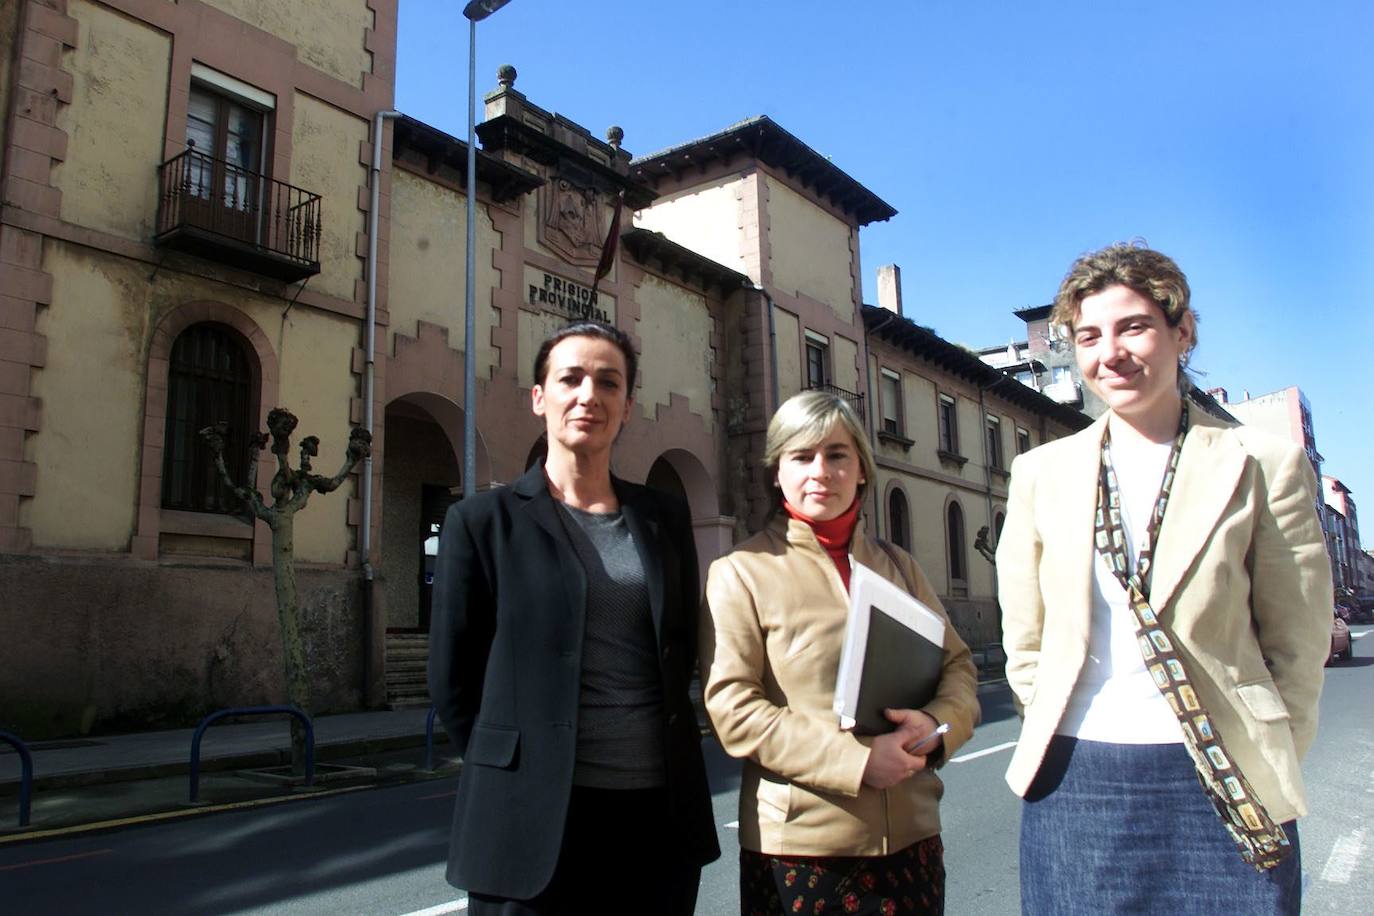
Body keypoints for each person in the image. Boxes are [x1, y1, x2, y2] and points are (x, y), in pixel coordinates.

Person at [997, 242, 1331, 914]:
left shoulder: (1262, 464)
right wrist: (1053, 714)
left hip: (1226, 771)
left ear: (1182, 332)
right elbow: (1025, 632)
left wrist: (1268, 742)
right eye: (1088, 336)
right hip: (1077, 775)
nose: (1109, 353)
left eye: (1133, 327)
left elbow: (1298, 639)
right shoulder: (1042, 473)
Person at [428, 320, 719, 915]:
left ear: (627, 406)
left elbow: (679, 646)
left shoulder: (663, 516)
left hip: (656, 818)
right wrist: (517, 761)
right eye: (571, 379)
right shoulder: (485, 522)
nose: (589, 395)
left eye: (608, 383)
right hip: (531, 819)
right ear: (540, 398)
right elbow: (453, 679)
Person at [701, 390, 980, 916]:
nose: (820, 472)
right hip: (803, 854)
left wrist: (937, 726)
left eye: (836, 455)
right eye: (801, 456)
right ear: (777, 471)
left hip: (913, 841)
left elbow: (958, 666)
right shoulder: (741, 572)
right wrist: (857, 763)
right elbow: (735, 710)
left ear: (861, 471)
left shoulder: (899, 567)